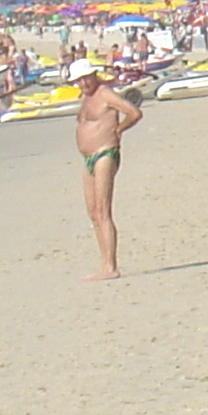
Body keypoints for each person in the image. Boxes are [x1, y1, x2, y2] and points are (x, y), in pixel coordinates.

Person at [73, 60, 142, 281]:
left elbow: (133, 112)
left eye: (86, 78)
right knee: (93, 212)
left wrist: (120, 129)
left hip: (105, 153)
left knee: (103, 210)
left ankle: (111, 266)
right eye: (79, 80)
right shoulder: (86, 97)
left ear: (94, 75)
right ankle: (103, 263)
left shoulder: (105, 94)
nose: (83, 83)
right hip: (88, 157)